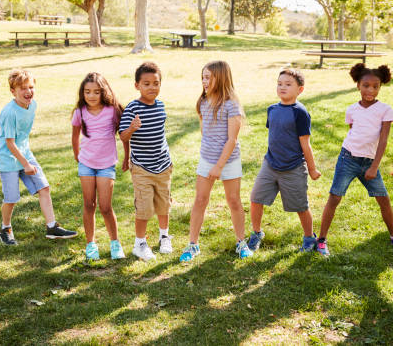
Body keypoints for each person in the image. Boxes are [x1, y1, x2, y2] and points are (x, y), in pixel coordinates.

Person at [316, 63, 393, 256]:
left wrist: (374, 167)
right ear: (358, 86)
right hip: (348, 158)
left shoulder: (385, 110)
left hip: (370, 163)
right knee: (335, 197)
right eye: (366, 85)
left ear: (380, 87)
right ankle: (321, 240)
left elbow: (383, 140)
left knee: (383, 199)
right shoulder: (352, 109)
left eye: (375, 86)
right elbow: (352, 132)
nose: (370, 90)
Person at [180, 60, 253, 262]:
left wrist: (219, 166)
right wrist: (210, 162)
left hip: (228, 161)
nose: (204, 81)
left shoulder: (232, 105)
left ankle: (241, 242)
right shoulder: (202, 102)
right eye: (203, 77)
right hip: (206, 159)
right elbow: (205, 132)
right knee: (200, 200)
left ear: (220, 79)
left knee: (234, 201)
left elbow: (232, 139)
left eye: (208, 77)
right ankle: (192, 244)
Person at [0, 69, 76, 245]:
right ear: (13, 91)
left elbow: (22, 137)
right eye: (22, 88)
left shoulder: (32, 105)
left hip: (24, 153)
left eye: (31, 87)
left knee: (44, 187)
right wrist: (25, 164)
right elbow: (9, 143)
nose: (28, 92)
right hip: (8, 159)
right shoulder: (9, 112)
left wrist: (26, 160)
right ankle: (5, 228)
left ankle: (52, 227)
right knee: (12, 198)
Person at [247, 68, 321, 253]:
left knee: (301, 206)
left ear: (300, 90)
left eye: (288, 84)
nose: (282, 87)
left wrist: (312, 170)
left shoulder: (300, 113)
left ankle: (309, 237)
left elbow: (306, 145)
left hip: (293, 167)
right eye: (279, 84)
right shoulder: (271, 109)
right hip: (270, 164)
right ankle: (256, 233)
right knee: (256, 199)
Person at [119, 62, 173, 261]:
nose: (152, 87)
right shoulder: (133, 108)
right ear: (137, 86)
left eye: (156, 83)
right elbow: (123, 137)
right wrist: (132, 128)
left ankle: (164, 236)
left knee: (163, 204)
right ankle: (139, 243)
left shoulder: (161, 105)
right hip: (142, 167)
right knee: (144, 207)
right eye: (147, 83)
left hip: (163, 165)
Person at [72, 72, 126, 260]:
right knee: (89, 204)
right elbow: (74, 135)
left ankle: (115, 243)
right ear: (82, 93)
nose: (91, 96)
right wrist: (77, 156)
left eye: (96, 92)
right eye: (87, 92)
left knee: (105, 206)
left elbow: (125, 134)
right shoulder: (79, 112)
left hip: (106, 165)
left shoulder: (112, 111)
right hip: (86, 164)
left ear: (103, 92)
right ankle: (91, 244)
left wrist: (127, 157)